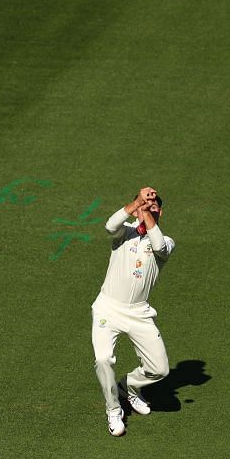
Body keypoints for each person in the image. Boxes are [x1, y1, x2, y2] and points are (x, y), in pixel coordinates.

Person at [91, 187, 175, 436]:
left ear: (161, 211)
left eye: (154, 207)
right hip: (109, 307)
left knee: (160, 369)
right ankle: (113, 409)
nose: (149, 210)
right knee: (103, 359)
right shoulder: (124, 234)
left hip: (139, 313)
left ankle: (129, 386)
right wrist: (137, 202)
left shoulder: (166, 242)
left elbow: (158, 244)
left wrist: (146, 210)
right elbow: (109, 226)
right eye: (145, 207)